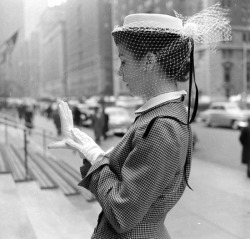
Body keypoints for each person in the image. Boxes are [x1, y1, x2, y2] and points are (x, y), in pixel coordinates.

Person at [48, 4, 231, 239]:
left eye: (123, 61)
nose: (119, 73)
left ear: (149, 61)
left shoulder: (162, 126)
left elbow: (121, 213)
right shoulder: (160, 115)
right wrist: (87, 150)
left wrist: (94, 155)